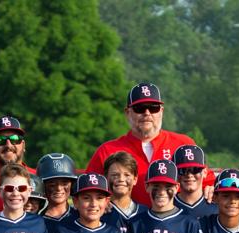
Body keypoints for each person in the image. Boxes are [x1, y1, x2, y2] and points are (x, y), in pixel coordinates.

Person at [86, 82, 214, 206]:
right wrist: (103, 201)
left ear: (161, 111)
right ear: (127, 112)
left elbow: (207, 180)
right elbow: (88, 189)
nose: (147, 113)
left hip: (176, 224)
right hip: (126, 224)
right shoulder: (108, 150)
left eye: (153, 108)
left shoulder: (183, 144)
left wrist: (211, 188)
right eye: (139, 108)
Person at [101, 151, 147, 233]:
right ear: (106, 177)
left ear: (135, 179)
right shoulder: (99, 212)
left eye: (127, 175)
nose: (121, 179)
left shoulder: (145, 212)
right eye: (115, 175)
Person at [36, 153, 79, 233]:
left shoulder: (81, 216)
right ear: (42, 186)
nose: (59, 188)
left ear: (72, 184)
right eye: (52, 184)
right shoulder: (36, 221)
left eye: (65, 183)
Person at [174, 145, 218, 218]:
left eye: (195, 170)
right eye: (183, 170)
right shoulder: (167, 206)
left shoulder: (217, 207)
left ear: (205, 172)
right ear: (175, 174)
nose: (189, 175)